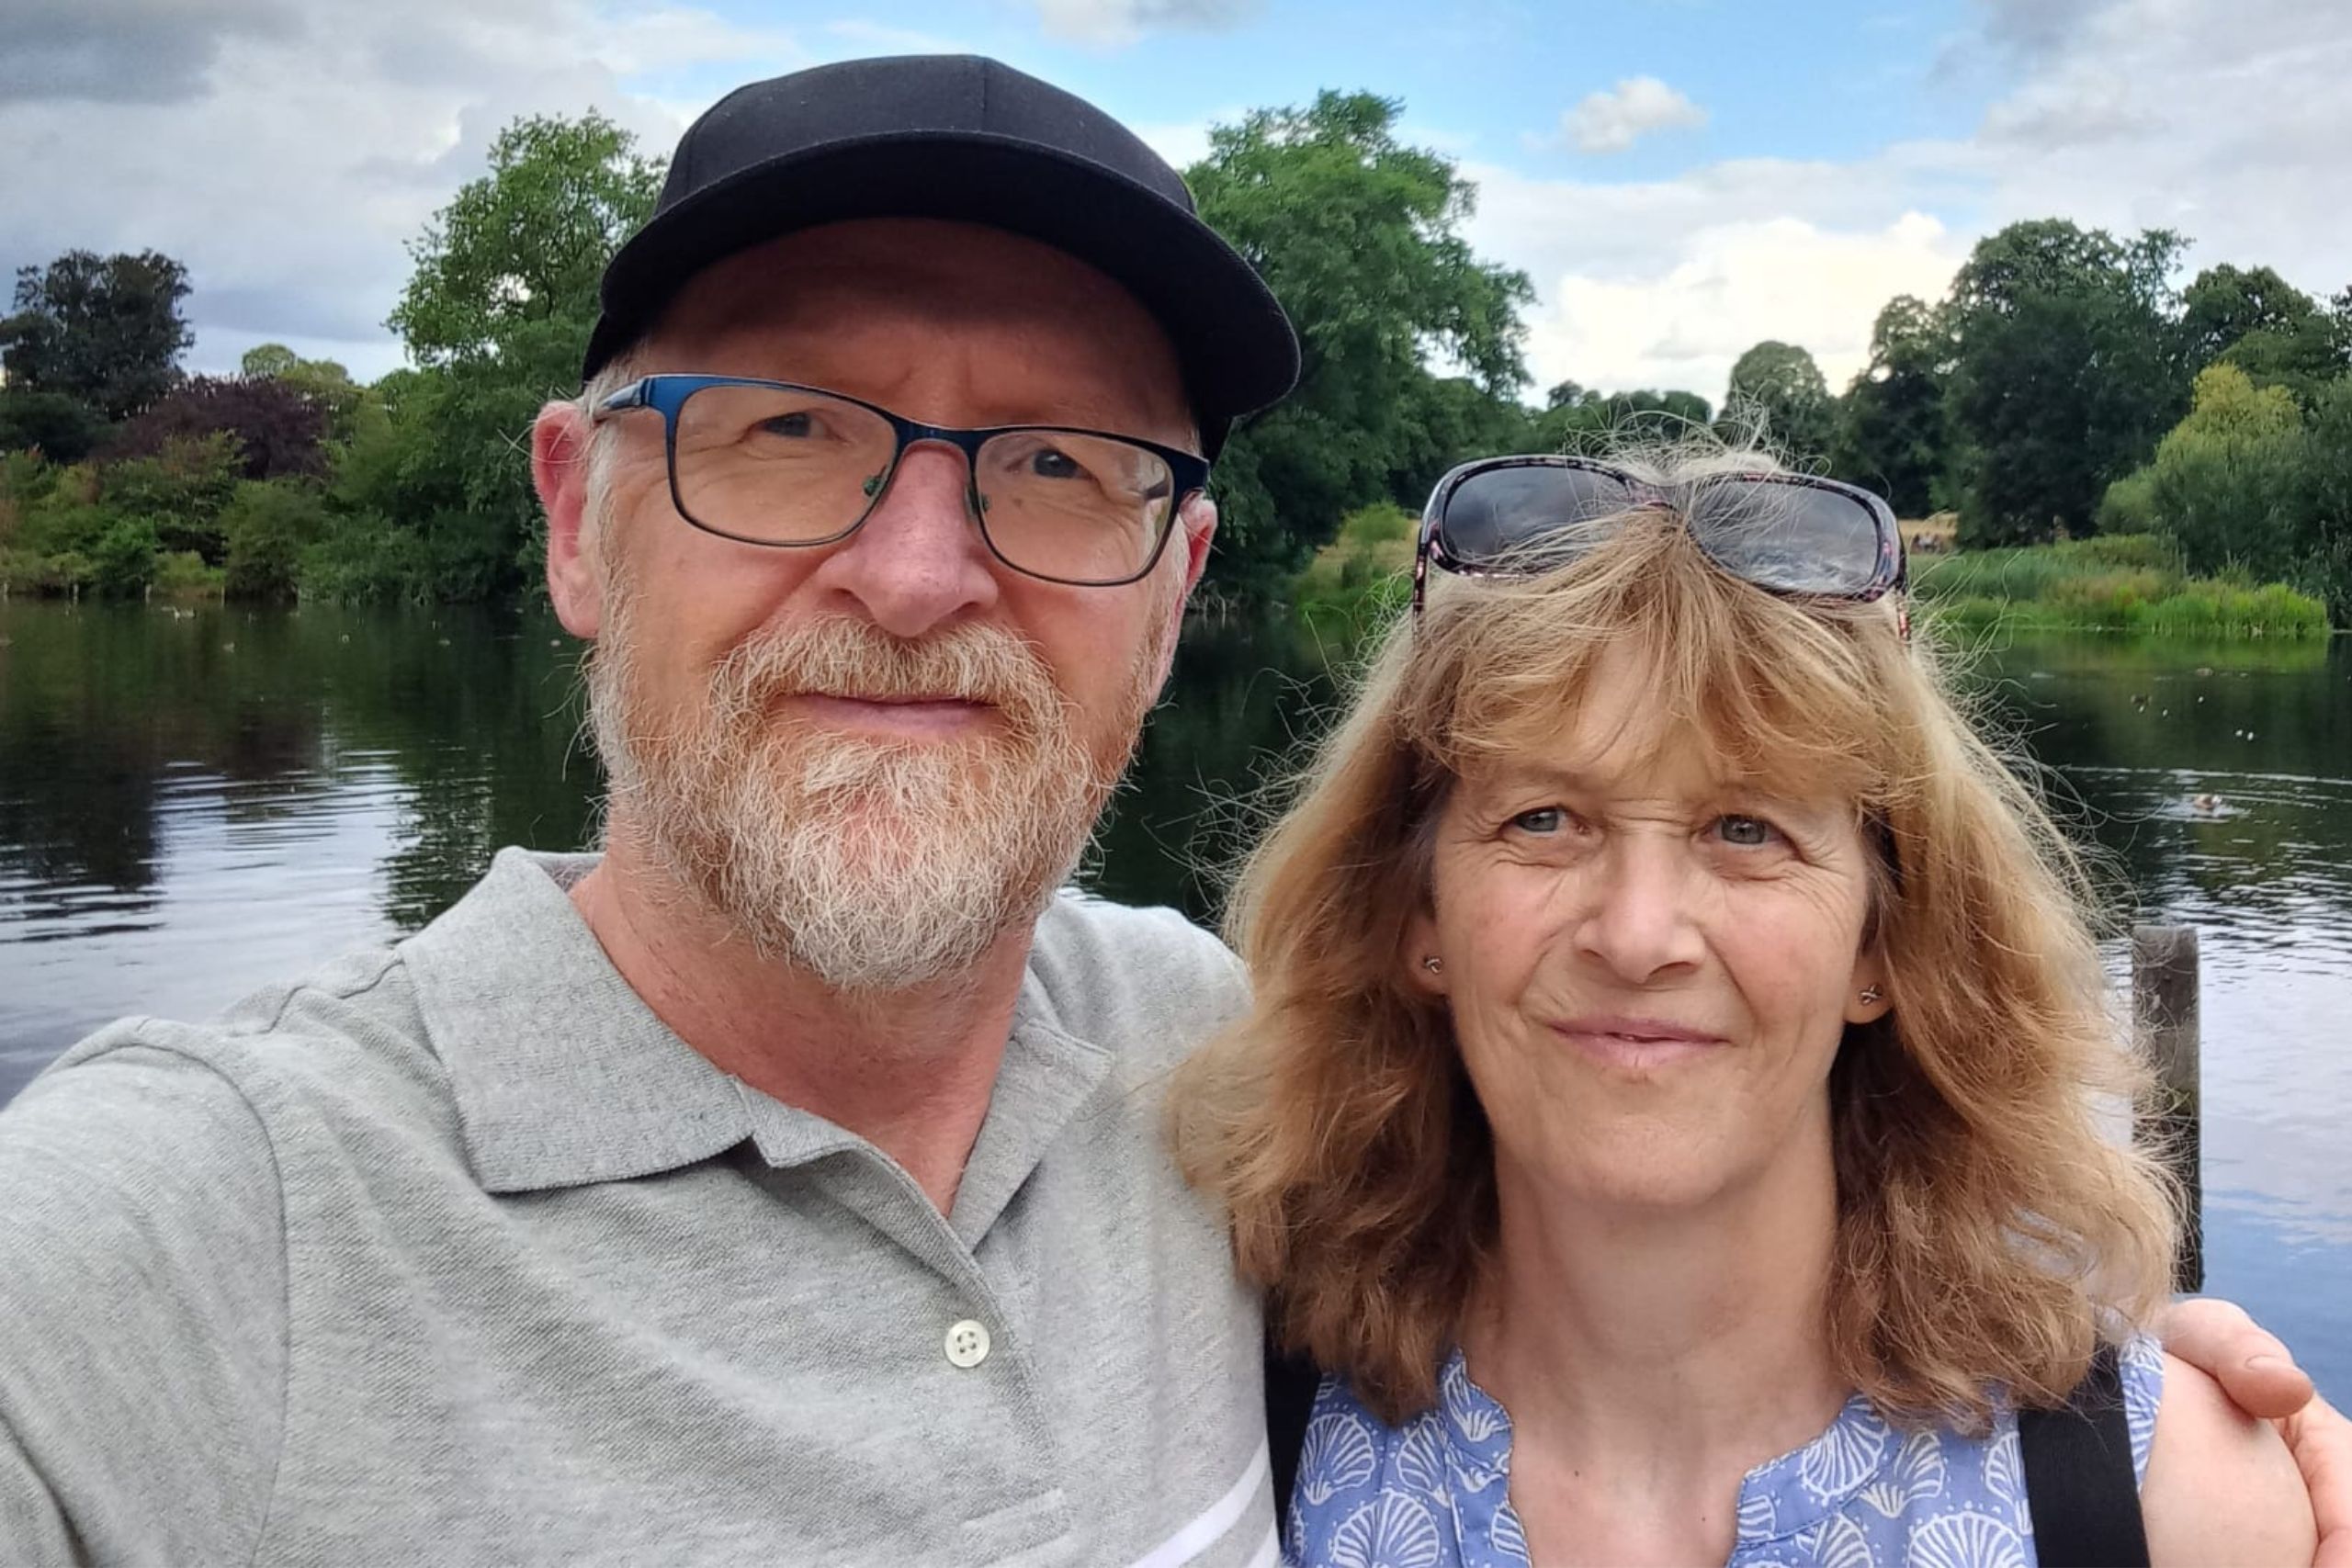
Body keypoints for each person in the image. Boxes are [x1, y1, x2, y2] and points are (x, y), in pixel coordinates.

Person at [0, 54, 2341, 1568]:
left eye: (1056, 464)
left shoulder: (1203, 1082)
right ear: (573, 515)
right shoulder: (170, 1242)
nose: (919, 572)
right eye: (790, 429)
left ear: (1175, 578)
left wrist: (2117, 1380)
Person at [1172, 449, 2319, 1564]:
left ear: (1882, 941)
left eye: (1745, 831)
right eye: (1543, 820)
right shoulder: (1226, 1438)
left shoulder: (2170, 1510)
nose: (1636, 936)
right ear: (1415, 915)